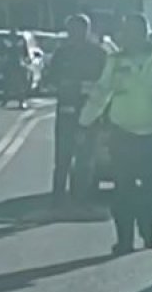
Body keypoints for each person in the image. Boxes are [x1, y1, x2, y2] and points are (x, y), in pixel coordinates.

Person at [80, 14, 152, 255]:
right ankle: (124, 240)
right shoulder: (116, 61)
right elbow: (101, 91)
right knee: (123, 189)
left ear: (144, 32)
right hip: (123, 132)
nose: (129, 37)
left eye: (134, 31)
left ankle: (148, 231)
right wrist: (85, 121)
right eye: (126, 31)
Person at [46, 14, 107, 207]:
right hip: (66, 112)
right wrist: (62, 85)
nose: (75, 34)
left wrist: (84, 87)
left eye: (79, 30)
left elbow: (106, 83)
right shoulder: (62, 54)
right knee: (62, 158)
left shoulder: (98, 54)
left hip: (90, 112)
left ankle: (81, 198)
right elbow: (50, 79)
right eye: (71, 30)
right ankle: (58, 198)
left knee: (85, 159)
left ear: (87, 31)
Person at [2, 29, 30, 109]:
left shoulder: (20, 42)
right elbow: (2, 53)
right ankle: (6, 99)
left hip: (18, 64)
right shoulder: (7, 42)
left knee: (19, 84)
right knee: (8, 83)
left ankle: (21, 101)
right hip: (10, 64)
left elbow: (25, 53)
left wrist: (26, 60)